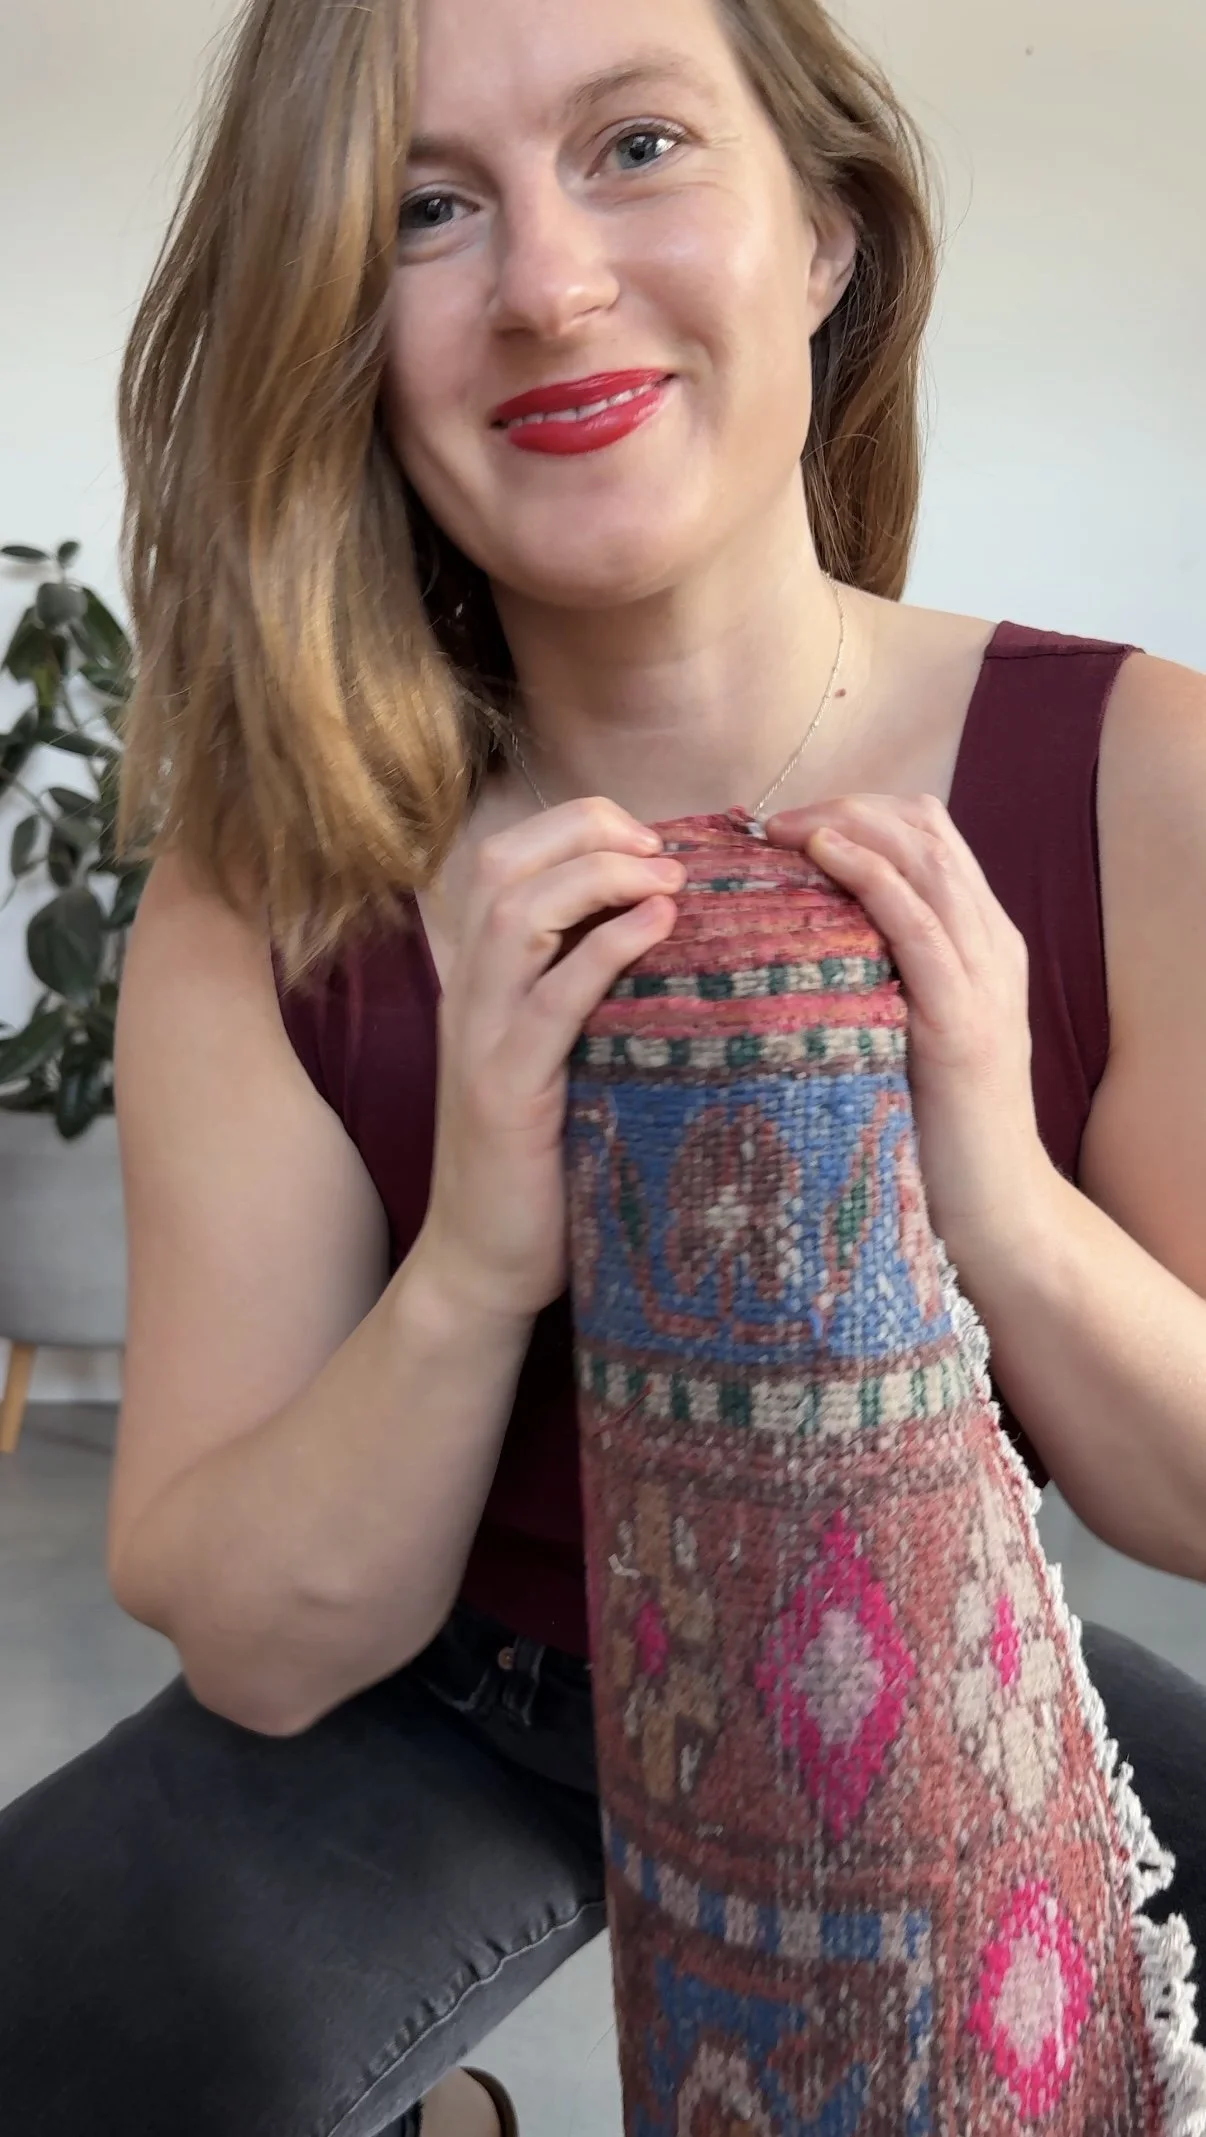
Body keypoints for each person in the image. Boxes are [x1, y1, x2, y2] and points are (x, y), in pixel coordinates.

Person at [3, 0, 1206, 2128]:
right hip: (449, 1681)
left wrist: (1000, 1199)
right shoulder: (265, 886)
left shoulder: (1138, 773)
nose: (550, 287)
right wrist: (476, 1257)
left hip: (943, 1640)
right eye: (421, 210)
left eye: (638, 145)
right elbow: (259, 1638)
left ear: (826, 230)